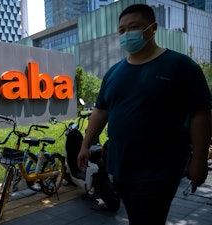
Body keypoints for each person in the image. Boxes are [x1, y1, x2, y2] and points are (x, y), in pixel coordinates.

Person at [77, 4, 211, 225]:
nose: (127, 34)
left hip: (159, 170)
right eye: (121, 30)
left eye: (134, 27)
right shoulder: (114, 72)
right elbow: (101, 111)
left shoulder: (181, 66)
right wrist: (85, 145)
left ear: (153, 28)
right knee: (137, 217)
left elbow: (201, 115)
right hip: (121, 167)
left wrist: (199, 159)